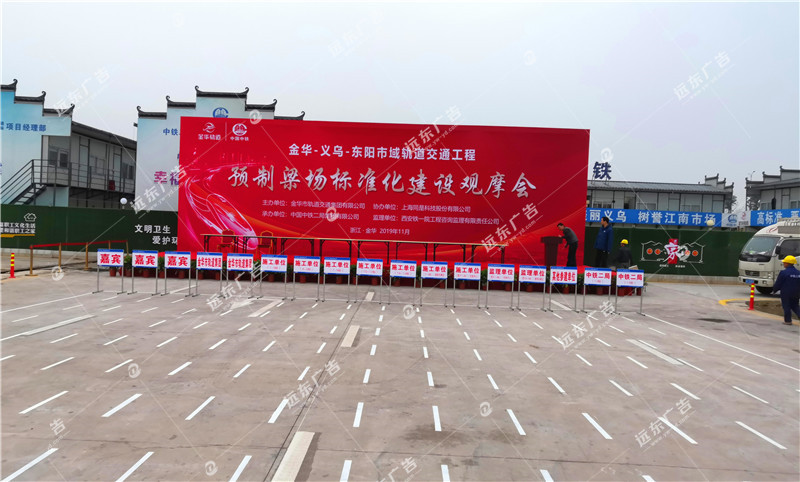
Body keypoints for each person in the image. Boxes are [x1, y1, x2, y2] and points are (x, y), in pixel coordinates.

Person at [771, 255, 800, 326]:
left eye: (784, 263)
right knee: (795, 306)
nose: (783, 264)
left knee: (786, 306)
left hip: (786, 293)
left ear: (787, 263)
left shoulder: (783, 273)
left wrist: (774, 290)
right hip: (796, 293)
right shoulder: (798, 273)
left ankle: (788, 321)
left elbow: (778, 283)